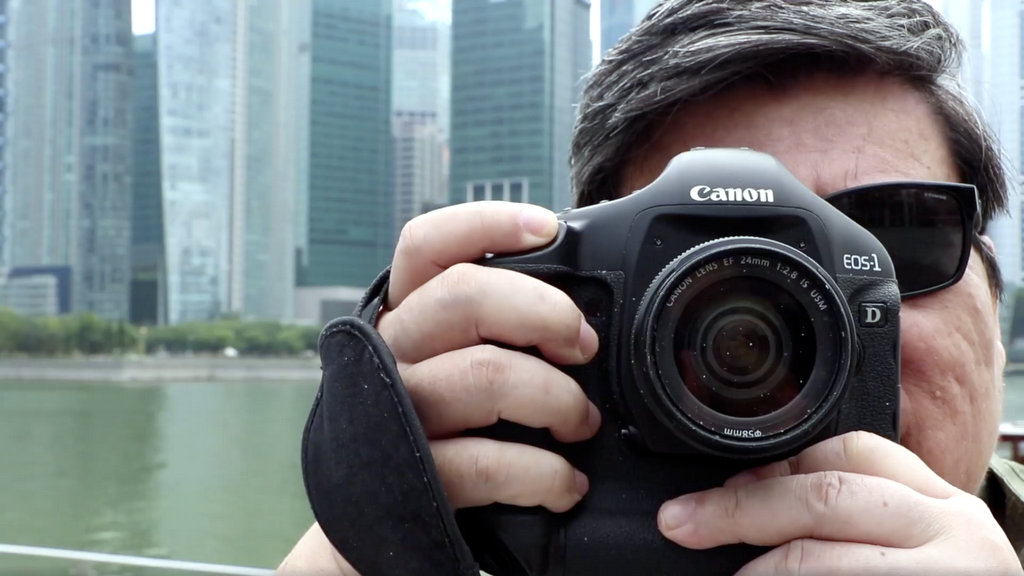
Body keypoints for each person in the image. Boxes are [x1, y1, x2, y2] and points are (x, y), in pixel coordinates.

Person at [277, 0, 1024, 573]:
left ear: (994, 300)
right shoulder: (512, 542)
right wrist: (371, 525)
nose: (809, 307)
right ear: (582, 313)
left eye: (896, 238)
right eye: (711, 264)